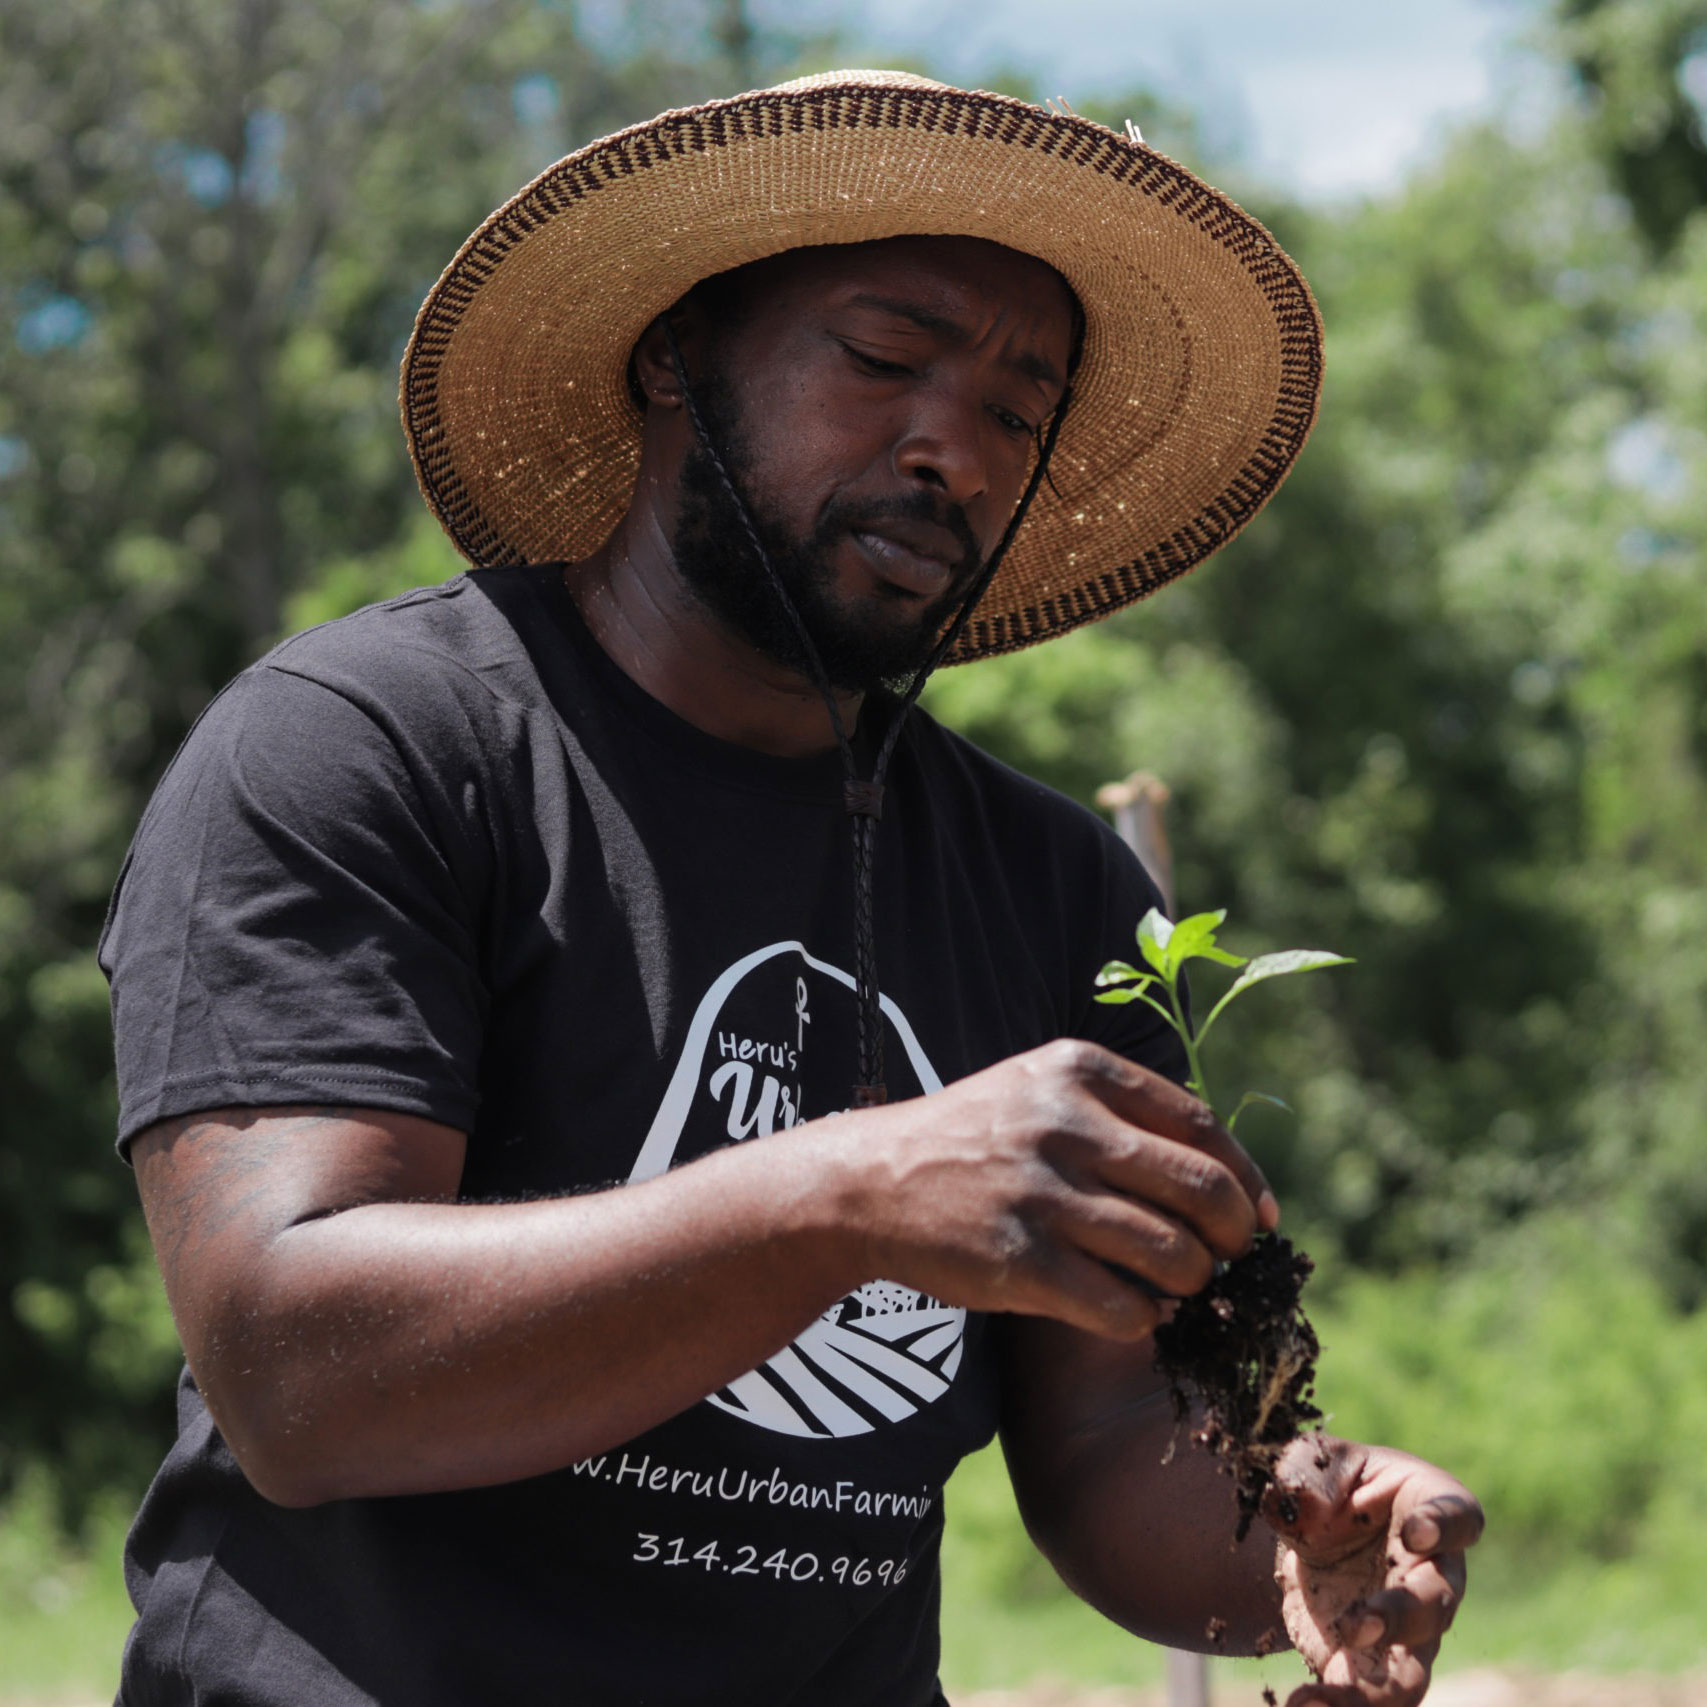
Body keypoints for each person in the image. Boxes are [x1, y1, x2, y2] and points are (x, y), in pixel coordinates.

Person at [101, 70, 1481, 1707]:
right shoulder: (371, 748)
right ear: (674, 354)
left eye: (1016, 416)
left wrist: (1287, 1539)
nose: (952, 455)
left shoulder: (1046, 881)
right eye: (888, 359)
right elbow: (293, 1378)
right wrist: (846, 1193)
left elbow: (1106, 1442)